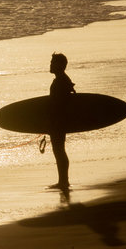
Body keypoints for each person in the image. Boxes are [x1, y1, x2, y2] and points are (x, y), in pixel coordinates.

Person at [48, 53, 75, 190]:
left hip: (58, 121)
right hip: (58, 121)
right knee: (58, 150)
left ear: (60, 65)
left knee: (59, 150)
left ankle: (63, 181)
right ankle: (63, 180)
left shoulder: (61, 81)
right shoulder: (62, 80)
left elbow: (60, 104)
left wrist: (54, 122)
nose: (50, 65)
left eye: (53, 62)